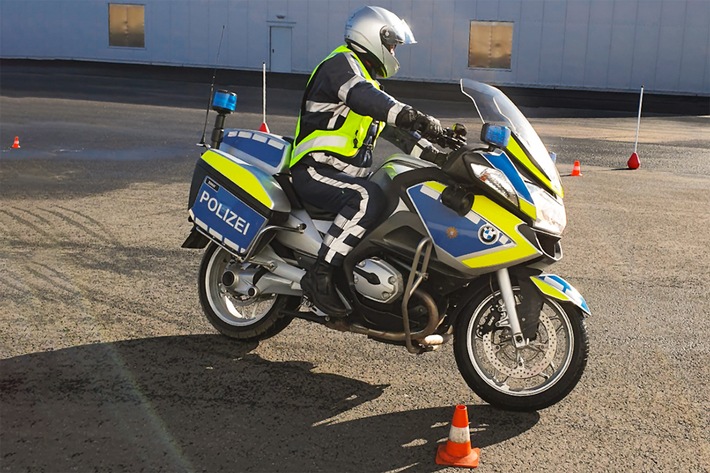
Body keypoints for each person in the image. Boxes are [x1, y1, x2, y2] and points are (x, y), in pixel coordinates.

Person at [290, 5, 446, 316]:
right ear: (374, 36)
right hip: (315, 170)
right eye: (392, 44)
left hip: (341, 175)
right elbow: (368, 99)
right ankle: (320, 275)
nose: (393, 51)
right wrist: (415, 116)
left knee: (400, 195)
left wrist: (442, 152)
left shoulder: (367, 81)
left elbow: (399, 135)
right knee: (368, 197)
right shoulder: (341, 67)